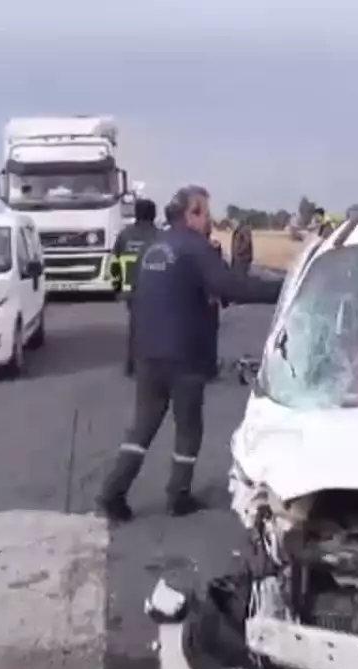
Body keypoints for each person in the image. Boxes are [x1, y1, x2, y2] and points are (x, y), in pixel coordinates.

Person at [96, 185, 284, 522]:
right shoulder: (196, 248)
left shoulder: (156, 246)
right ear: (191, 214)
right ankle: (178, 495)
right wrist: (283, 289)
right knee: (189, 428)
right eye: (205, 213)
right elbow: (230, 287)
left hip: (148, 352)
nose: (210, 220)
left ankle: (113, 492)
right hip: (184, 354)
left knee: (142, 427)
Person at [111, 198, 161, 376]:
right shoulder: (159, 236)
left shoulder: (124, 235)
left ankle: (132, 367)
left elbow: (114, 263)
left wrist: (116, 289)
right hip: (155, 289)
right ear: (153, 214)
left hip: (131, 289)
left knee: (136, 327)